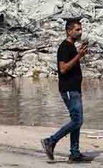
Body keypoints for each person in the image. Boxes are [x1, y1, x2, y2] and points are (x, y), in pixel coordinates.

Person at [41, 19, 91, 162]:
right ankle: (51, 141)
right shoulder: (64, 47)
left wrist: (79, 54)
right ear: (69, 31)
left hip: (75, 89)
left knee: (77, 120)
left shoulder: (72, 47)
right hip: (69, 89)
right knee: (77, 120)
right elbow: (63, 69)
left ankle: (74, 153)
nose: (80, 32)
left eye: (81, 29)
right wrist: (78, 56)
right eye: (77, 29)